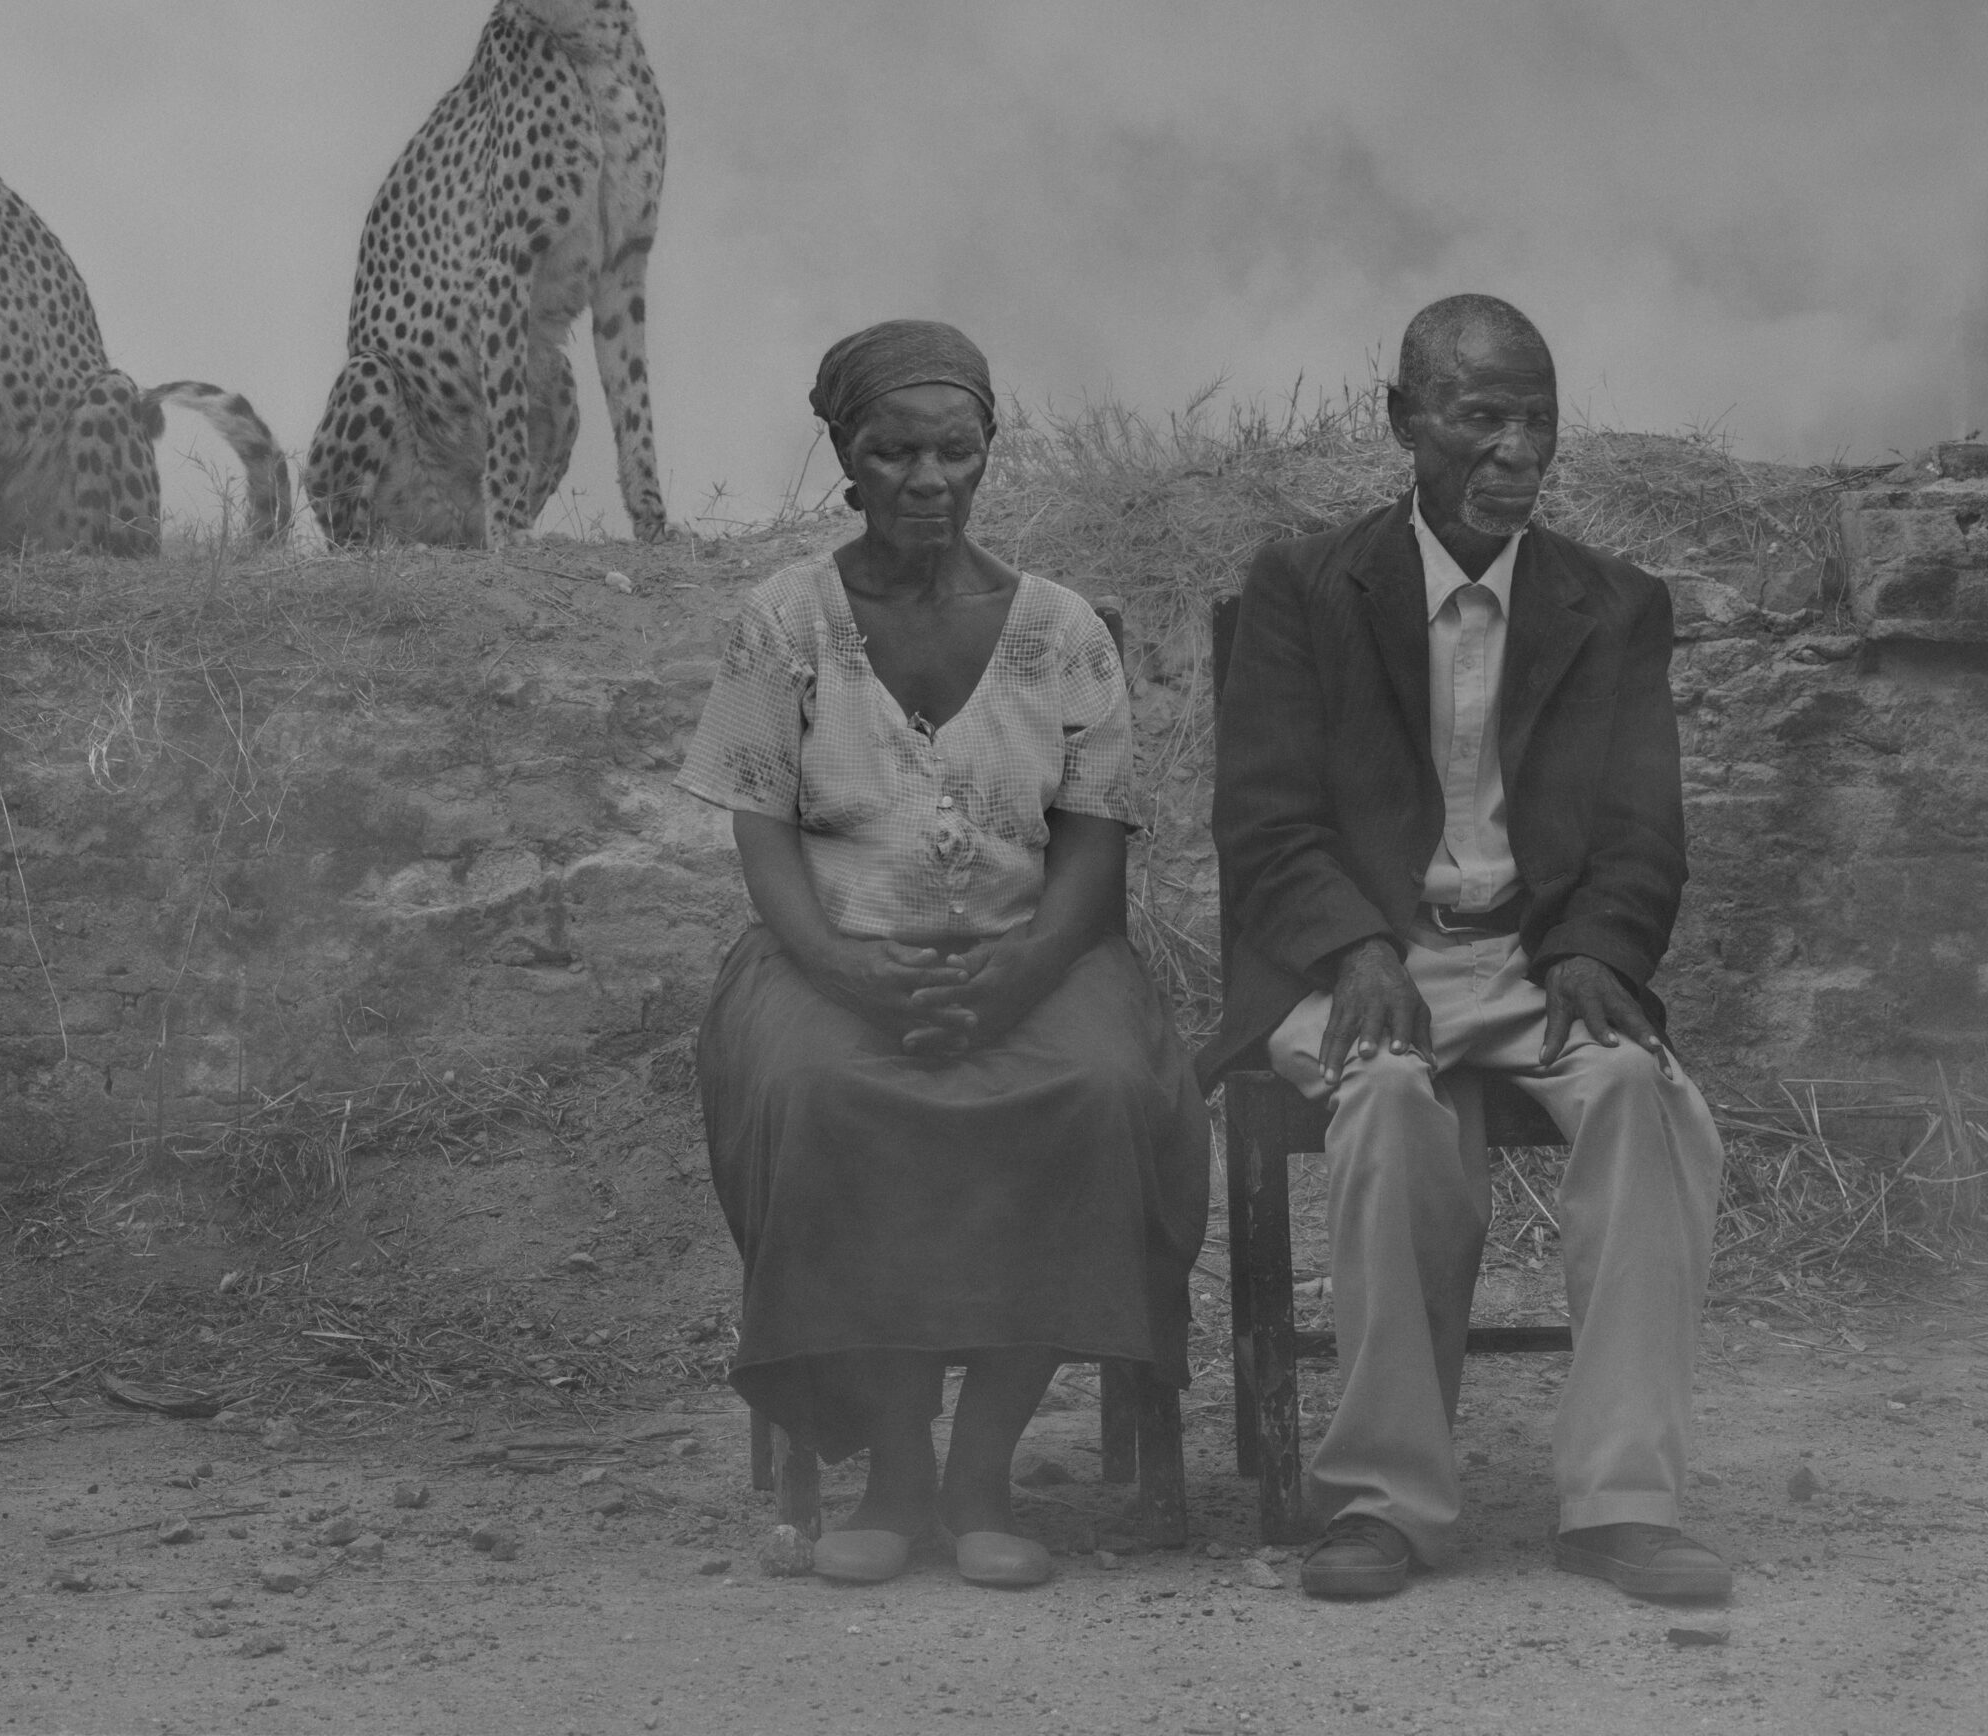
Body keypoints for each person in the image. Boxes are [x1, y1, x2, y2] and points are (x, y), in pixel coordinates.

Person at [1207, 294, 1728, 1604]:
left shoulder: (1612, 606)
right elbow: (1267, 823)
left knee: (1639, 1103)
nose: (1514, 452)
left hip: (1534, 959)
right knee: (1386, 1106)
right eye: (1480, 416)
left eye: (1537, 422)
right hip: (1365, 956)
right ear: (1403, 422)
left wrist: (1599, 948)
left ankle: (1622, 1502)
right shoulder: (1307, 588)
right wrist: (1357, 949)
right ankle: (1386, 1500)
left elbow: (1640, 834)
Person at [678, 319, 1209, 1591]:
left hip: (1037, 955)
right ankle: (897, 1472)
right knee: (823, 1098)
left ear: (988, 453)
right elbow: (765, 846)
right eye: (893, 451)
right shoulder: (784, 618)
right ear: (843, 459)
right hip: (830, 957)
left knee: (1092, 1095)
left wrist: (1020, 978)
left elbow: (1091, 859)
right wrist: (849, 974)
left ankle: (982, 1470)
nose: (926, 479)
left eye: (953, 451)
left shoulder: (1062, 628)